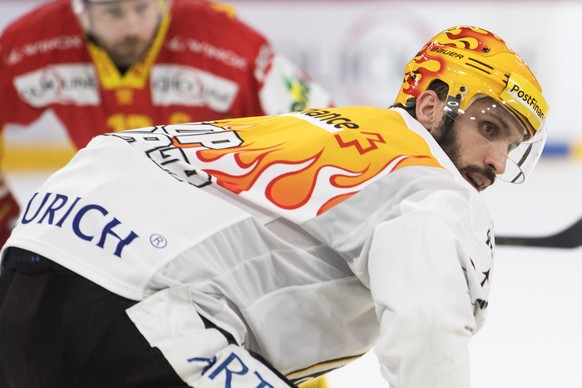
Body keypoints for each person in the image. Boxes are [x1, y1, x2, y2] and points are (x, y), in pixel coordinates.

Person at [0, 25, 548, 387]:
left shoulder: (326, 130)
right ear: (429, 106)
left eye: (511, 145)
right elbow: (427, 326)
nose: (498, 162)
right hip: (139, 310)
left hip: (26, 267)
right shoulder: (429, 181)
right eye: (490, 128)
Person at [0, 0, 332, 247]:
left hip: (215, 225)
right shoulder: (33, 43)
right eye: (113, 12)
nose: (132, 27)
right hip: (108, 223)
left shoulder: (226, 43)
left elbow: (322, 125)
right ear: (81, 10)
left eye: (143, 8)